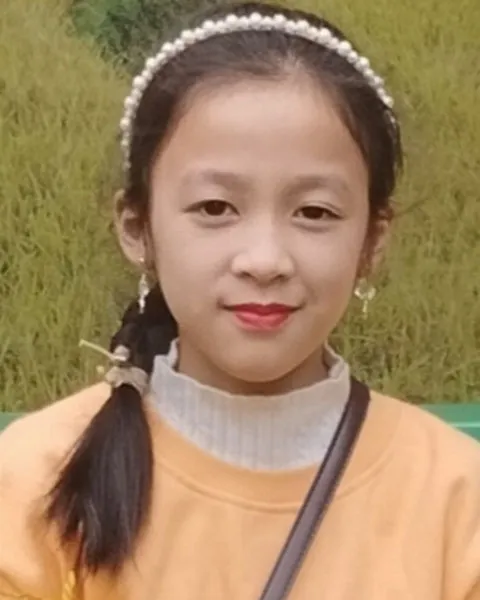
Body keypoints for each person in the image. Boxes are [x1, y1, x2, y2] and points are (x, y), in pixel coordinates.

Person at [1, 1, 479, 599]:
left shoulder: (458, 500)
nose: (265, 259)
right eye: (215, 208)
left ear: (372, 241)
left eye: (314, 212)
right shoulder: (30, 483)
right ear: (137, 227)